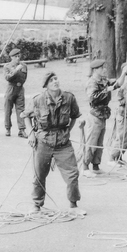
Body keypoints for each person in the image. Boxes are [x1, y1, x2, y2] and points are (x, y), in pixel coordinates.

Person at [22, 71, 86, 215]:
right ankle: (36, 205)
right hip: (43, 140)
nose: (55, 82)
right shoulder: (38, 100)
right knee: (39, 175)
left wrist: (68, 130)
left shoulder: (69, 98)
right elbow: (25, 116)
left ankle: (73, 205)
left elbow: (75, 116)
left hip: (63, 142)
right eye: (51, 80)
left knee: (72, 174)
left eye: (56, 79)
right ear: (46, 85)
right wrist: (31, 134)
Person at [82, 59, 127, 177]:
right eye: (102, 68)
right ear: (95, 70)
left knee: (99, 143)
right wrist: (107, 90)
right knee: (92, 142)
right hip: (95, 116)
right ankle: (85, 167)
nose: (104, 70)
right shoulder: (91, 82)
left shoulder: (103, 80)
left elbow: (117, 84)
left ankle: (96, 166)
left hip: (102, 115)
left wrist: (123, 73)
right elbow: (93, 98)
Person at [3, 48, 28, 138]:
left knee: (21, 110)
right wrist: (16, 70)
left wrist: (20, 83)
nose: (18, 58)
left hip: (20, 89)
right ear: (11, 57)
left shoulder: (24, 65)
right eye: (15, 56)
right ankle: (8, 128)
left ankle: (22, 130)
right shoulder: (7, 66)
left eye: (18, 56)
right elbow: (8, 78)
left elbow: (24, 77)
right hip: (11, 89)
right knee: (8, 109)